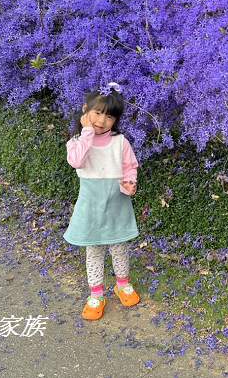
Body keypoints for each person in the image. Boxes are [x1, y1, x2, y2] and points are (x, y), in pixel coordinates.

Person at [63, 82, 141, 321]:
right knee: (94, 251)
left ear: (115, 120)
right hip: (92, 205)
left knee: (119, 247)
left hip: (116, 203)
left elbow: (130, 166)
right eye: (97, 113)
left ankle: (122, 284)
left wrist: (130, 182)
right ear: (85, 110)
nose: (102, 120)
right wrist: (86, 133)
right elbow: (76, 161)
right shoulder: (76, 141)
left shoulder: (120, 142)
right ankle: (96, 294)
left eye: (109, 117)